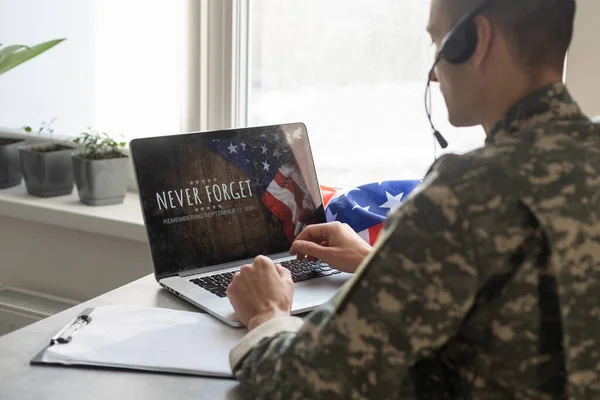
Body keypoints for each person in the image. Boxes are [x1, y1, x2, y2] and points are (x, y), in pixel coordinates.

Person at [226, 0, 600, 398]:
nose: (434, 75)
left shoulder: (465, 192)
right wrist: (381, 266)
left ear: (476, 40)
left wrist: (267, 313)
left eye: (438, 41)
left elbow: (304, 384)